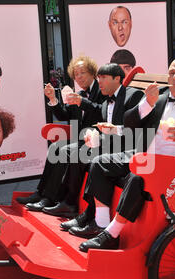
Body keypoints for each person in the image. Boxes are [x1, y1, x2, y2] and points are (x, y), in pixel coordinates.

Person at [70, 58, 175, 252]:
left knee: (138, 176)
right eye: (171, 73)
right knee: (99, 163)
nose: (174, 77)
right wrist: (146, 105)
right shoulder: (160, 97)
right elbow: (130, 122)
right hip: (146, 157)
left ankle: (112, 233)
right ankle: (101, 224)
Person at [56, 63, 144, 233]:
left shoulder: (133, 96)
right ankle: (80, 210)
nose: (100, 82)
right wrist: (95, 137)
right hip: (111, 147)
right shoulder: (105, 102)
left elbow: (137, 131)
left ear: (117, 79)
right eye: (99, 78)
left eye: (103, 78)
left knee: (91, 159)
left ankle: (87, 214)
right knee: (80, 154)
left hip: (130, 150)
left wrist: (107, 135)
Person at [15, 56, 106, 211]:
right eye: (76, 74)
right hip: (81, 140)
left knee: (64, 151)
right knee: (55, 147)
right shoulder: (81, 94)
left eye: (82, 73)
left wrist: (82, 102)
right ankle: (40, 192)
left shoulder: (101, 90)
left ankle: (50, 198)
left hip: (97, 141)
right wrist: (52, 98)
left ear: (92, 73)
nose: (79, 77)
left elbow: (102, 110)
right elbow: (64, 116)